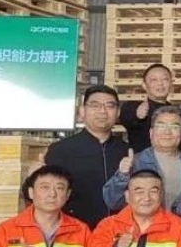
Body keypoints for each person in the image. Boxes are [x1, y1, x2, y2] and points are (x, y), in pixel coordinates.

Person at [45, 85, 129, 228]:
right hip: (74, 232)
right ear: (82, 111)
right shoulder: (61, 150)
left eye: (110, 106)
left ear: (117, 112)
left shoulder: (127, 151)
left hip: (119, 233)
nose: (102, 111)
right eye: (95, 105)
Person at [103, 106, 181, 216]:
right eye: (161, 126)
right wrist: (122, 175)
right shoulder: (135, 163)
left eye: (174, 127)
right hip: (144, 226)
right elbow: (113, 202)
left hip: (178, 226)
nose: (167, 132)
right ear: (151, 132)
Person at [118, 63, 174, 154]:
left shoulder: (177, 112)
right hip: (142, 162)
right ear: (144, 85)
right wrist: (137, 114)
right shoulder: (133, 107)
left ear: (171, 83)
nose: (160, 83)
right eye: (154, 79)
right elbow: (127, 115)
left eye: (165, 79)